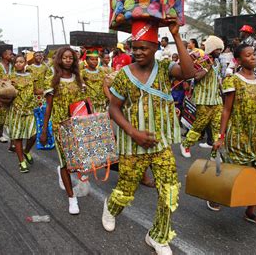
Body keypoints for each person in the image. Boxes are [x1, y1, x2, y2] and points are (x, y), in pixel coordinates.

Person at [101, 19, 195, 255]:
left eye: (143, 47)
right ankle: (111, 207)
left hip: (161, 145)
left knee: (169, 191)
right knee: (126, 190)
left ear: (155, 47)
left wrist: (176, 35)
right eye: (134, 47)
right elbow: (113, 109)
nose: (137, 52)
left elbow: (189, 71)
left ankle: (158, 236)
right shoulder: (123, 75)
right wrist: (134, 133)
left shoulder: (164, 69)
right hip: (132, 145)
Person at [212, 43, 256, 228]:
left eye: (254, 54)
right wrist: (220, 136)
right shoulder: (233, 81)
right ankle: (215, 195)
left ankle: (251, 211)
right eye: (248, 55)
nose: (253, 57)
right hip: (238, 134)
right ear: (239, 60)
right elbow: (227, 109)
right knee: (233, 173)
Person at [40, 47, 87, 215]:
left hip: (76, 126)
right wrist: (44, 131)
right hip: (60, 127)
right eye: (65, 57)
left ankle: (64, 173)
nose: (68, 60)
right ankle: (71, 198)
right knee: (66, 164)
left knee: (78, 161)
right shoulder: (53, 80)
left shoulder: (78, 79)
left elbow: (82, 104)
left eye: (71, 58)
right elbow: (49, 107)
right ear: (59, 59)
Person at [179, 35, 224, 158]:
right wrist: (207, 67)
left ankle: (215, 154)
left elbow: (218, 79)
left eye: (221, 49)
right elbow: (196, 77)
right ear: (211, 48)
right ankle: (186, 144)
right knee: (200, 124)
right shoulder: (202, 60)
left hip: (216, 99)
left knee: (217, 127)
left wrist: (222, 92)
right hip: (204, 98)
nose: (219, 52)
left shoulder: (218, 62)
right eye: (217, 49)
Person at [7, 55, 37, 173]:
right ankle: (21, 162)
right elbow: (5, 92)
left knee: (33, 135)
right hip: (16, 110)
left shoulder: (31, 76)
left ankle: (26, 150)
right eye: (16, 62)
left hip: (29, 110)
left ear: (25, 63)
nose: (19, 64)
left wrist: (49, 91)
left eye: (21, 61)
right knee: (17, 137)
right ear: (14, 64)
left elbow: (35, 91)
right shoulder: (10, 77)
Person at [0, 48, 14, 147]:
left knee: (8, 119)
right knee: (0, 120)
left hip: (10, 96)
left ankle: (5, 139)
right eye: (10, 54)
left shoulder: (12, 66)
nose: (11, 56)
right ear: (4, 55)